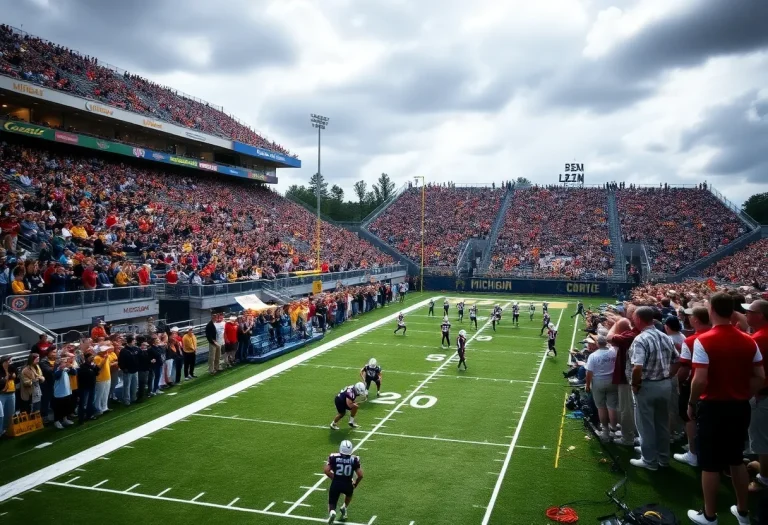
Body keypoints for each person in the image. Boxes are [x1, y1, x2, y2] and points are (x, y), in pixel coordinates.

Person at [687, 293, 765, 525]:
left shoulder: (705, 340)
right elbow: (760, 376)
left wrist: (691, 403)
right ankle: (742, 513)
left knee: (710, 463)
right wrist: (743, 393)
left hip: (712, 406)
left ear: (711, 310)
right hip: (739, 407)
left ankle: (709, 516)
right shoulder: (749, 340)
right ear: (732, 311)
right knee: (735, 459)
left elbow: (699, 380)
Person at [628, 306, 679, 471]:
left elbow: (637, 367)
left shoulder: (641, 339)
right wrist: (668, 376)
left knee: (646, 425)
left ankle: (649, 460)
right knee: (662, 423)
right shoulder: (665, 336)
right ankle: (663, 458)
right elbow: (677, 360)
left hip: (647, 385)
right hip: (664, 385)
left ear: (639, 320)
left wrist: (635, 385)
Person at [674, 306, 710, 466]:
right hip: (718, 386)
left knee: (690, 417)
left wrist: (676, 382)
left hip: (696, 384)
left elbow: (684, 369)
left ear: (695, 319)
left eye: (690, 316)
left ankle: (693, 452)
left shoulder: (690, 340)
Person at [745, 300, 768, 492]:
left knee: (762, 439)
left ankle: (764, 480)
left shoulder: (759, 338)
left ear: (760, 315)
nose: (746, 315)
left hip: (763, 394)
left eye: (750, 312)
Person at [585, 335, 618, 442]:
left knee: (601, 407)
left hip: (598, 381)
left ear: (597, 344)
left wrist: (587, 385)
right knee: (612, 406)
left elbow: (589, 372)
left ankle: (605, 431)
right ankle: (614, 428)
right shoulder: (613, 352)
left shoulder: (593, 356)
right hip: (612, 380)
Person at [324, 439, 364, 524]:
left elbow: (326, 470)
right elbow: (360, 475)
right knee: (349, 494)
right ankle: (344, 507)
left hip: (336, 483)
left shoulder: (334, 457)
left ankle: (332, 512)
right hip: (348, 483)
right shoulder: (354, 459)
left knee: (332, 502)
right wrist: (355, 484)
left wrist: (334, 478)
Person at [77, 351, 98, 424]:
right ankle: (81, 418)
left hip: (92, 385)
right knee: (83, 403)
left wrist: (95, 366)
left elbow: (97, 373)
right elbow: (83, 377)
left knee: (90, 401)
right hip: (84, 387)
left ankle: (90, 415)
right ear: (86, 358)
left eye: (92, 357)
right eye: (90, 357)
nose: (92, 359)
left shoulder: (92, 365)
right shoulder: (83, 367)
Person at [118, 334, 140, 406]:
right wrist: (124, 368)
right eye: (134, 340)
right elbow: (120, 361)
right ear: (130, 341)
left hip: (135, 370)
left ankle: (134, 398)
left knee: (135, 385)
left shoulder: (135, 348)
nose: (135, 342)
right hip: (128, 371)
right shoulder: (124, 351)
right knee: (126, 386)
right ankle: (126, 400)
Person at [0, 356, 17, 436]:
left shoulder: (12, 368)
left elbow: (15, 377)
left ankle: (7, 429)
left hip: (11, 393)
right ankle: (1, 430)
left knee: (11, 413)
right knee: (1, 414)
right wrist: (7, 376)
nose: (10, 363)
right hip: (2, 394)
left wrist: (9, 376)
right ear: (4, 362)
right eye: (9, 361)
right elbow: (2, 381)